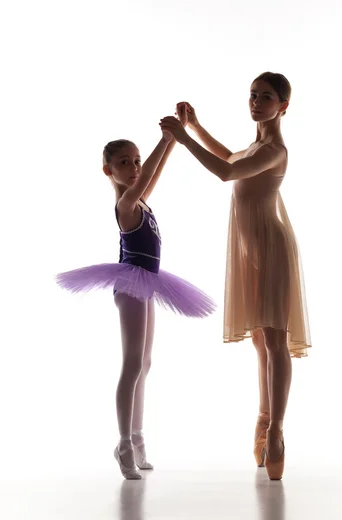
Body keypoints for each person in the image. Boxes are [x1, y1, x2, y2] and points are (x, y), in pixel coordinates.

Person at [160, 73, 311, 480]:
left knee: (276, 339)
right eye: (252, 95)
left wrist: (182, 139)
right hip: (250, 251)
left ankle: (276, 431)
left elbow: (227, 174)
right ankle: (264, 419)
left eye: (265, 97)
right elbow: (231, 159)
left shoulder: (275, 149)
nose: (255, 102)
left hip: (272, 248)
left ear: (284, 106)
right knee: (260, 340)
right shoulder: (256, 146)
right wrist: (195, 127)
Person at [56, 113, 215, 480]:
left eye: (136, 161)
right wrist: (166, 138)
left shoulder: (141, 200)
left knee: (145, 363)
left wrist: (172, 141)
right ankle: (123, 444)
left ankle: (138, 438)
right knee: (131, 364)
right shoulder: (126, 205)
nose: (133, 168)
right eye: (123, 163)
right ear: (107, 171)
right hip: (129, 286)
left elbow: (151, 177)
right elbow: (145, 180)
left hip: (148, 283)